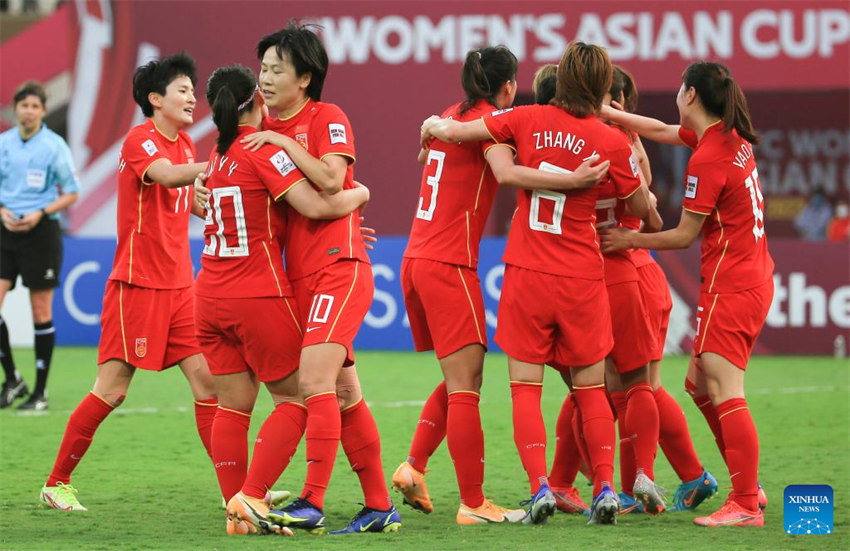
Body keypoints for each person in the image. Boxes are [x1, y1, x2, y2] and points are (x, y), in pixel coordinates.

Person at [421, 41, 650, 525]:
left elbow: (461, 129)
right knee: (590, 389)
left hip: (527, 271)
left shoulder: (524, 119)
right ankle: (606, 487)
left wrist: (433, 126)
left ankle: (539, 487)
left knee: (525, 387)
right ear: (603, 87)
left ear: (560, 78)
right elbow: (637, 210)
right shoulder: (611, 142)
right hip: (583, 277)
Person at [193, 65, 371, 536]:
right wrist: (361, 194)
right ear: (254, 99)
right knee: (298, 397)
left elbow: (206, 197)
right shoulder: (261, 148)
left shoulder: (216, 156)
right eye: (265, 74)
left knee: (232, 406)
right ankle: (252, 497)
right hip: (257, 291)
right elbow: (316, 204)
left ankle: (235, 506)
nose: (270, 80)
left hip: (208, 295)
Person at [40, 53, 219, 512]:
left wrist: (224, 205)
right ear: (155, 99)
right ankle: (56, 482)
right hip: (139, 286)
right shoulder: (141, 141)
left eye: (193, 91)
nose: (191, 98)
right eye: (183, 90)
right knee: (113, 390)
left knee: (209, 386)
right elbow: (165, 177)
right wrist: (219, 164)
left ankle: (237, 493)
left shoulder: (184, 147)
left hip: (182, 288)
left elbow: (189, 203)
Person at [240, 23, 400, 535]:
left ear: (305, 77)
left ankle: (312, 500)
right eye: (262, 68)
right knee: (346, 396)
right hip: (301, 278)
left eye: (276, 69)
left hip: (340, 270)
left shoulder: (326, 117)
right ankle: (379, 507)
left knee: (311, 383)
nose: (264, 78)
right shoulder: (262, 125)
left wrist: (280, 144)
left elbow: (333, 179)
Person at [600, 61, 774, 527]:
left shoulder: (709, 157)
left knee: (723, 386)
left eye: (680, 87)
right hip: (749, 276)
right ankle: (747, 483)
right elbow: (658, 128)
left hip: (733, 284)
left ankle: (743, 501)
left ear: (691, 94)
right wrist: (613, 116)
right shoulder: (724, 137)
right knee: (698, 385)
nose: (677, 94)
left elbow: (681, 236)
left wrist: (629, 239)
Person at [604, 67, 718, 515]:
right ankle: (679, 478)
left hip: (627, 270)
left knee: (625, 388)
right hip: (636, 272)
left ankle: (638, 483)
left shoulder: (616, 143)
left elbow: (651, 217)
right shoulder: (626, 140)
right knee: (637, 387)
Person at [0, 81, 79, 410]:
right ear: (16, 109)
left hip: (41, 231)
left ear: (43, 111)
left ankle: (40, 392)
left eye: (35, 106)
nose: (29, 111)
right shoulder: (4, 143)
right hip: (5, 230)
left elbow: (71, 192)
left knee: (40, 310)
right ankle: (13, 379)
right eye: (24, 105)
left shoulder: (54, 146)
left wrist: (40, 213)